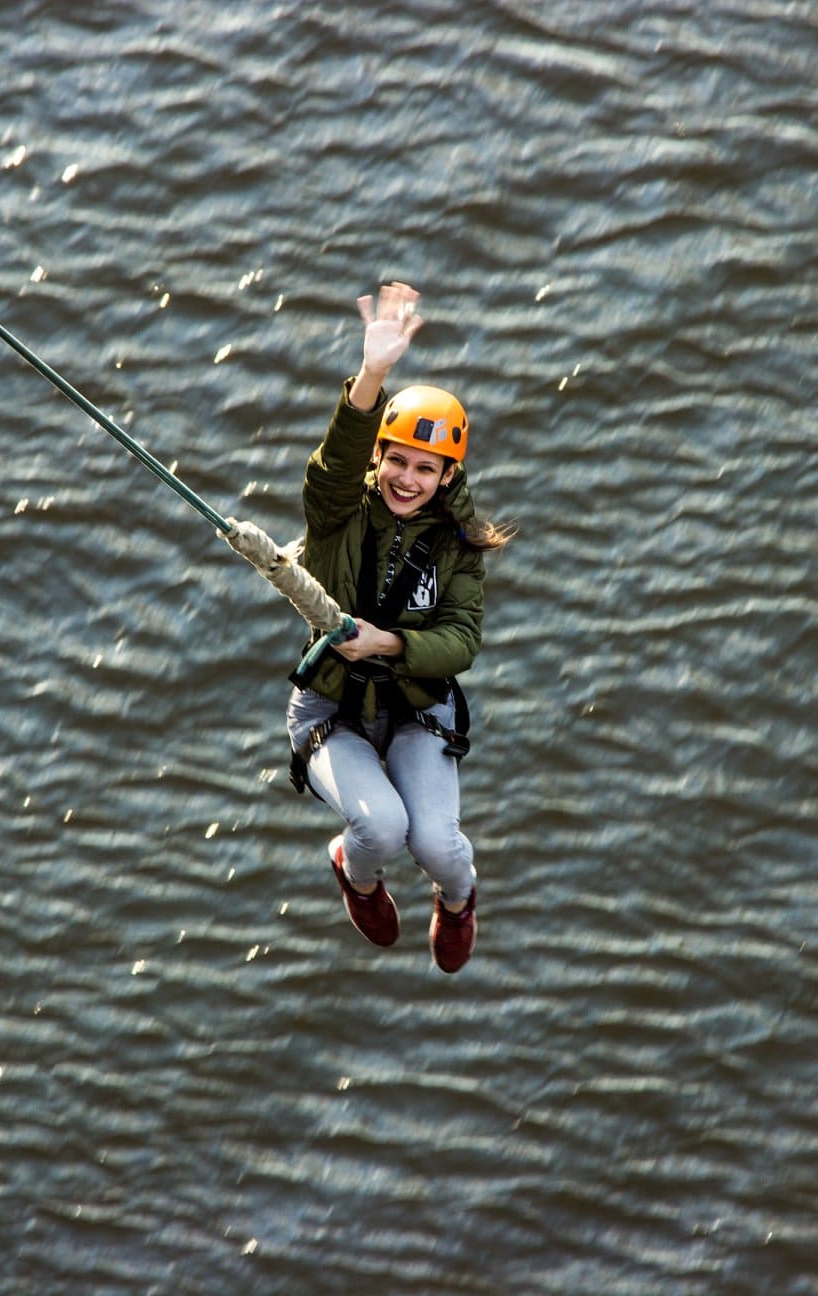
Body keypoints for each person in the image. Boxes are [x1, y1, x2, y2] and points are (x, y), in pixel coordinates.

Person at [285, 282, 511, 973]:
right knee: (380, 828)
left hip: (417, 706)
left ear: (446, 476)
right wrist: (373, 376)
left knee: (439, 848)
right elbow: (331, 470)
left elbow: (462, 640)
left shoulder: (459, 545)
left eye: (425, 468)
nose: (406, 479)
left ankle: (458, 900)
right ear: (379, 458)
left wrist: (390, 643)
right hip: (334, 706)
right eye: (397, 462)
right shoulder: (337, 518)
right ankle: (356, 876)